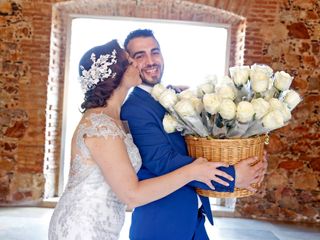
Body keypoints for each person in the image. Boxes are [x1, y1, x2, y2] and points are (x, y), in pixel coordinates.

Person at [48, 39, 236, 240]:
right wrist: (192, 171)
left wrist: (175, 94)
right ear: (115, 74)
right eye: (131, 62)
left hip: (103, 223)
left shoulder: (114, 118)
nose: (139, 64)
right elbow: (132, 196)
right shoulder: (101, 127)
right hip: (84, 227)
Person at [121, 29, 267, 240]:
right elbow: (163, 161)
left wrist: (250, 159)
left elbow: (203, 142)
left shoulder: (173, 97)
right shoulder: (135, 109)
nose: (151, 60)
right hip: (161, 226)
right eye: (140, 55)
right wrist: (232, 177)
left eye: (155, 51)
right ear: (130, 63)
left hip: (192, 220)